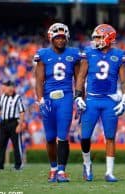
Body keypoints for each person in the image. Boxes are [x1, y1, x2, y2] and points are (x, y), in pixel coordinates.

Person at [74, 24, 125, 182]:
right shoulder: (89, 53)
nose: (96, 40)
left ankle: (109, 172)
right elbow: (81, 77)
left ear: (109, 37)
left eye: (99, 37)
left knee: (110, 136)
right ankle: (87, 163)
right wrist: (78, 96)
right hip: (91, 99)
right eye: (96, 37)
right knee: (85, 137)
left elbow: (124, 80)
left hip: (110, 100)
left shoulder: (119, 55)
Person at [34, 23, 81, 183]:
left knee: (63, 136)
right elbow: (39, 80)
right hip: (48, 98)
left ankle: (61, 171)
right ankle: (53, 168)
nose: (60, 40)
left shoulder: (74, 54)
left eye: (63, 37)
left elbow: (79, 79)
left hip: (66, 97)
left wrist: (80, 98)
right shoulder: (43, 54)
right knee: (49, 137)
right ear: (51, 38)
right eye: (57, 37)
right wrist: (40, 100)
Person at [0, 80, 25, 171]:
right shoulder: (3, 96)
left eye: (7, 86)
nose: (5, 88)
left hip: (14, 122)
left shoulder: (17, 97)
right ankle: (0, 164)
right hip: (4, 123)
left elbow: (22, 112)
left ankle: (18, 165)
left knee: (16, 144)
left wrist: (20, 124)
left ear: (11, 88)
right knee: (1, 144)